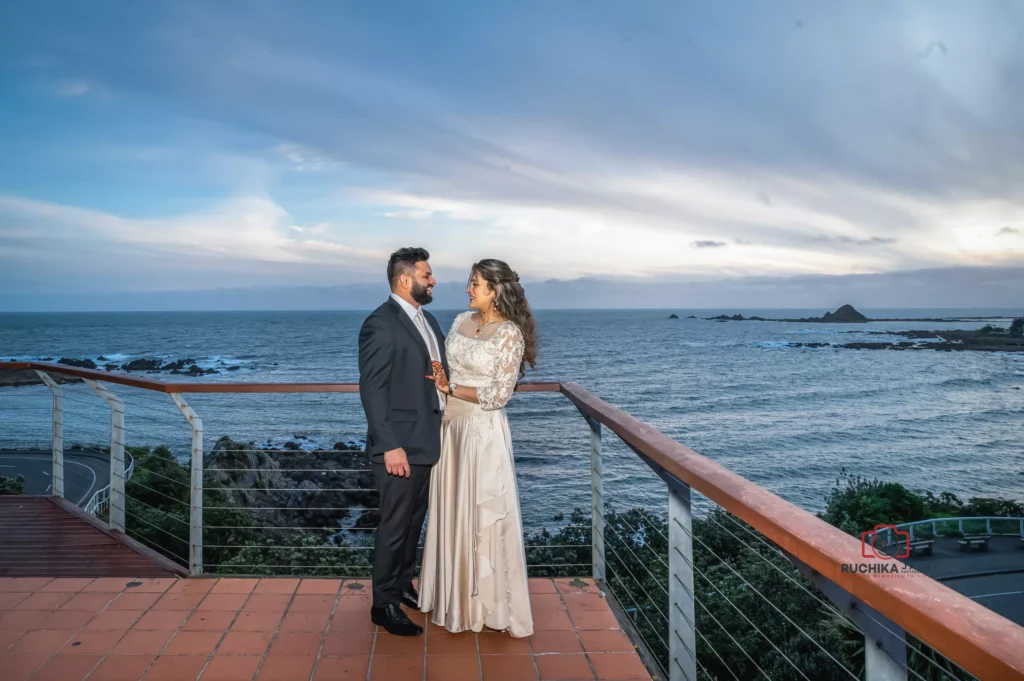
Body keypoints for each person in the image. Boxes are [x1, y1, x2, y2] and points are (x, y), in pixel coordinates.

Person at [419, 258, 538, 637]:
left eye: (476, 283)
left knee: (480, 513)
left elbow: (499, 394)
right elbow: (449, 368)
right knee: (453, 508)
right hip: (450, 427)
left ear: (495, 290)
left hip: (481, 433)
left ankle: (482, 604)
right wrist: (443, 376)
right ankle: (451, 594)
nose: (468, 289)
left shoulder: (510, 335)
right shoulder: (458, 322)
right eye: (471, 283)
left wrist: (449, 388)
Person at [358, 247, 449, 637]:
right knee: (394, 527)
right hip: (399, 446)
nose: (433, 281)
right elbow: (373, 389)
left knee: (413, 524)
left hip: (427, 440)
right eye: (427, 275)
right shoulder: (380, 323)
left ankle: (402, 587)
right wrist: (389, 444)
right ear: (405, 279)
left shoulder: (427, 319)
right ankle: (383, 605)